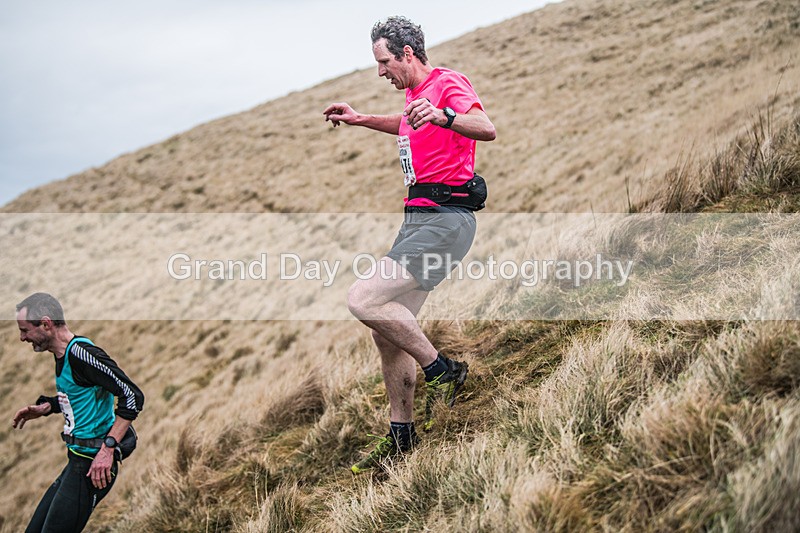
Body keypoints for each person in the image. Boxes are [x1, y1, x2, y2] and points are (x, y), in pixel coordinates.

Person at [323, 16, 495, 473]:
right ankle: (402, 435)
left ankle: (444, 372)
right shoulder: (414, 96)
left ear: (407, 53)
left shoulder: (447, 83)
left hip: (445, 219)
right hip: (418, 220)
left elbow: (486, 126)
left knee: (363, 299)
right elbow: (405, 125)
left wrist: (445, 115)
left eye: (384, 62)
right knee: (386, 330)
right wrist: (360, 119)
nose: (380, 71)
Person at [12, 292, 145, 532]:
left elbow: (132, 395)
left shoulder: (82, 354)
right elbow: (82, 394)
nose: (22, 338)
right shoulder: (62, 354)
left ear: (46, 324)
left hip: (93, 466)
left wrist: (107, 449)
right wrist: (48, 407)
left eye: (25, 330)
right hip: (76, 460)